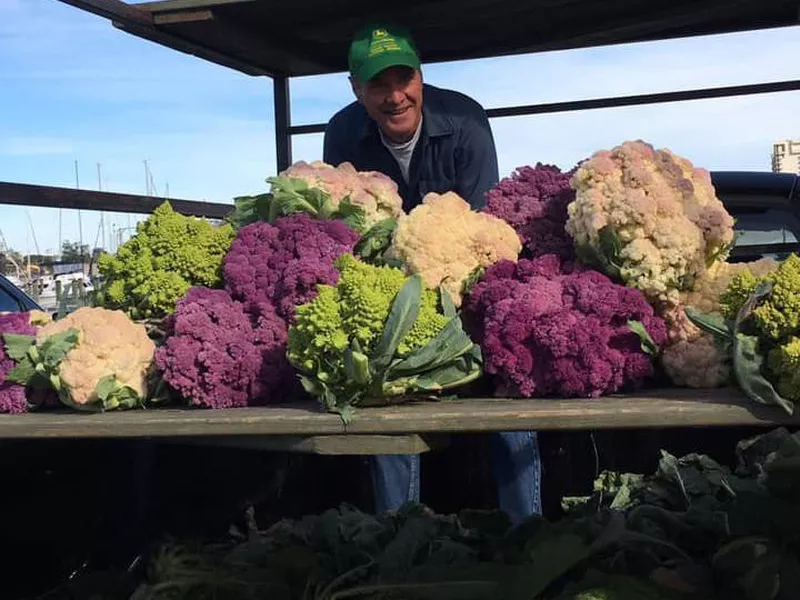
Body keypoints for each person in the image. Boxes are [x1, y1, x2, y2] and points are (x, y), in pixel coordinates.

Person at [322, 22, 541, 524]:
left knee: (511, 395)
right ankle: (402, 537)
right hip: (391, 294)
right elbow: (343, 230)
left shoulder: (464, 120)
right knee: (381, 401)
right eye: (378, 84)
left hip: (471, 290)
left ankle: (528, 529)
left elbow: (487, 230)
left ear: (421, 77)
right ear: (356, 89)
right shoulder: (341, 132)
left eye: (404, 79)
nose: (395, 96)